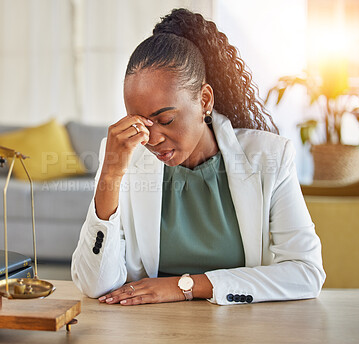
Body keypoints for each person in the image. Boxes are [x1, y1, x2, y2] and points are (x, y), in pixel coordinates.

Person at [71, 8, 325, 306]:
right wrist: (111, 174)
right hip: (149, 328)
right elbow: (94, 284)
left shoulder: (270, 156)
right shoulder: (124, 157)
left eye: (165, 120)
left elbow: (306, 272)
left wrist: (186, 286)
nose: (152, 140)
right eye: (140, 122)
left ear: (204, 100)